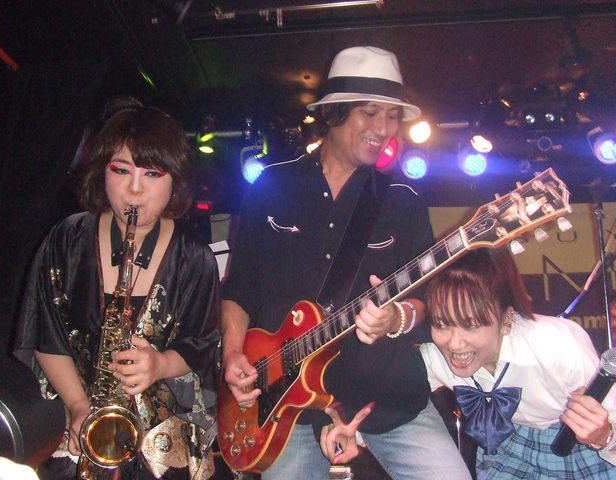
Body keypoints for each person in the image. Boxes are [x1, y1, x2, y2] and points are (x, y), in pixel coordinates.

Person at [220, 46, 471, 480]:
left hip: (388, 400)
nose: (384, 129)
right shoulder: (272, 186)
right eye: (369, 113)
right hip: (286, 409)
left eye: (392, 116)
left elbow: (428, 303)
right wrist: (232, 353)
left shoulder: (402, 199)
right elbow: (239, 286)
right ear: (334, 112)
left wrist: (397, 318)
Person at [13, 105, 221, 479]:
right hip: (73, 422)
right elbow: (45, 333)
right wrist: (79, 407)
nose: (134, 189)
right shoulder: (67, 239)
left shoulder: (195, 258)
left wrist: (159, 364)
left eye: (152, 173)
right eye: (121, 170)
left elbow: (201, 345)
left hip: (161, 438)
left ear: (175, 181)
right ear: (101, 171)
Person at [321, 248, 616, 478]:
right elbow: (397, 401)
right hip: (509, 451)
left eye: (471, 326)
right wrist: (352, 428)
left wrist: (604, 436)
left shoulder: (558, 345)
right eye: (442, 324)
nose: (455, 344)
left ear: (506, 319)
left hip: (580, 449)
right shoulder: (435, 357)